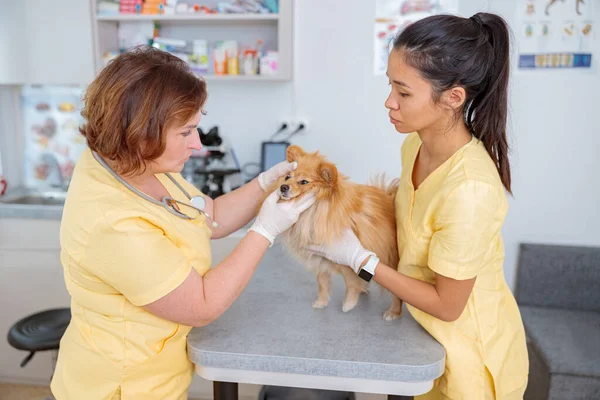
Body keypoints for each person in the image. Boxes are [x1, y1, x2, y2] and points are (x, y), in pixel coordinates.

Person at [50, 46, 315, 400]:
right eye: (186, 132)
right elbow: (201, 305)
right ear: (141, 132)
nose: (198, 144)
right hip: (123, 387)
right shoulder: (113, 221)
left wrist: (264, 183)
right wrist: (264, 230)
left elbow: (212, 217)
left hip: (162, 375)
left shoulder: (140, 164)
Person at [308, 12, 529, 399]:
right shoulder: (415, 145)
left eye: (404, 92)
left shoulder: (471, 189)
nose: (389, 102)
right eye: (390, 86)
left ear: (453, 98)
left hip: (467, 359)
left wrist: (362, 260)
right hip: (420, 336)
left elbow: (447, 306)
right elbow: (412, 218)